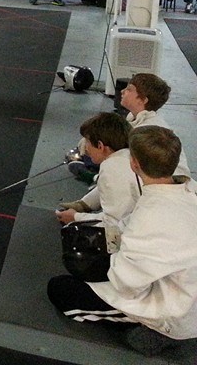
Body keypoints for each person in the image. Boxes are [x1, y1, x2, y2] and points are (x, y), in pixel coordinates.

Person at [47, 126, 197, 357]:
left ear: (134, 163)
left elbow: (126, 284)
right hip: (183, 288)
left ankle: (158, 334)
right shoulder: (187, 189)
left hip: (175, 315)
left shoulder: (153, 215)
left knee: (61, 288)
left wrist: (99, 265)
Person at [55, 113, 136, 232]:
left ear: (100, 145)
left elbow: (113, 224)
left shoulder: (112, 168)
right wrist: (84, 204)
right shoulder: (127, 156)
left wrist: (76, 218)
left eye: (87, 142)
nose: (86, 148)